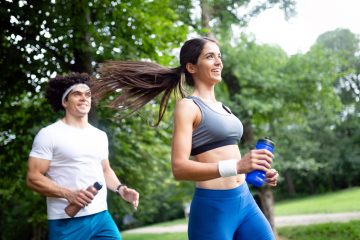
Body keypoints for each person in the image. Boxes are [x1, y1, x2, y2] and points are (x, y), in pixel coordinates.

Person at [92, 37, 279, 240]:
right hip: (213, 209)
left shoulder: (225, 108)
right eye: (210, 57)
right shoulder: (188, 106)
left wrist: (255, 167)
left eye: (219, 56)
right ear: (191, 67)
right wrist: (237, 166)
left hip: (244, 200)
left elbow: (228, 155)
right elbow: (179, 168)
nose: (218, 62)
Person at [26, 73, 139, 240]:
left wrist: (121, 189)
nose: (84, 98)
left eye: (87, 94)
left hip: (101, 217)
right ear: (65, 102)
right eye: (77, 94)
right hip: (66, 222)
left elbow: (105, 170)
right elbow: (33, 178)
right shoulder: (49, 134)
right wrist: (69, 194)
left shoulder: (99, 135)